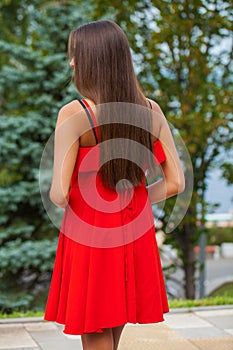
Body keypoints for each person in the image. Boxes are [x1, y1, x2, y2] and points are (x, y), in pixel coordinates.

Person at [43, 20, 185, 350]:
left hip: (90, 233)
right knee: (114, 321)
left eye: (75, 54)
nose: (72, 62)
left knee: (95, 329)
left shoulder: (74, 114)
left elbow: (60, 194)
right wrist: (132, 200)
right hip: (133, 230)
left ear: (92, 60)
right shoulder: (150, 110)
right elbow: (176, 182)